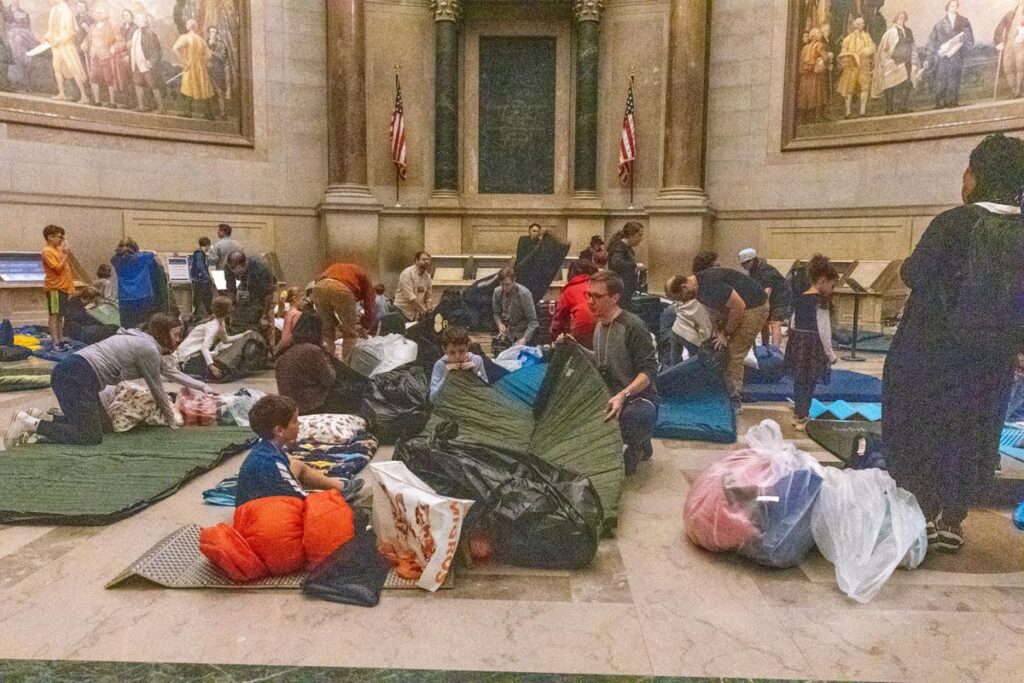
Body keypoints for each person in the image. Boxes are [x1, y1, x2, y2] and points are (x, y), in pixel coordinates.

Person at [883, 133, 1024, 554]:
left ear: (976, 176)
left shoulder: (952, 223)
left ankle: (922, 513)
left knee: (922, 425)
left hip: (930, 354)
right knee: (975, 429)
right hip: (990, 360)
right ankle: (952, 519)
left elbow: (914, 274)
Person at [3, 314, 197, 448]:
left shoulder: (142, 341)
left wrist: (204, 388)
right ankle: (30, 423)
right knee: (90, 437)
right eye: (176, 334)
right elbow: (157, 388)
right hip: (74, 376)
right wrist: (172, 420)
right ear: (163, 333)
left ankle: (41, 417)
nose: (179, 339)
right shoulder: (147, 348)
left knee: (104, 427)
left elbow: (169, 373)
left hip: (76, 376)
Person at [569, 271, 658, 475]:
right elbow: (602, 360)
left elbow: (649, 371)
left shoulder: (633, 327)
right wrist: (575, 347)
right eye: (588, 295)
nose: (591, 301)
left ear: (615, 297)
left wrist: (623, 395)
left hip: (639, 399)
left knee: (632, 419)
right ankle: (640, 439)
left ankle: (638, 442)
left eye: (597, 296)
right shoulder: (599, 325)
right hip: (612, 396)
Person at [666, 266, 769, 413]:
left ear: (684, 287)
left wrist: (726, 333)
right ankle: (724, 388)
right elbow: (714, 313)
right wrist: (717, 333)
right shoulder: (697, 290)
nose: (682, 302)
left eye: (680, 298)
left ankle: (734, 399)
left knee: (734, 353)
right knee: (720, 347)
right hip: (740, 305)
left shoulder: (709, 285)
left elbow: (739, 307)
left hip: (755, 307)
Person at [234, 395, 347, 510]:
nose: (299, 424)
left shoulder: (267, 447)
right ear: (279, 431)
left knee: (296, 464)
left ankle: (342, 487)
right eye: (294, 421)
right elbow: (301, 499)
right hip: (260, 516)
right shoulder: (270, 462)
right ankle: (342, 493)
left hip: (263, 502)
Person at [785, 255, 839, 431]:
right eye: (831, 285)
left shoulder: (800, 297)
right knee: (809, 382)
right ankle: (803, 416)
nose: (831, 290)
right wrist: (830, 353)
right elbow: (824, 329)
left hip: (798, 342)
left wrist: (791, 341)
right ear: (823, 280)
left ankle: (798, 413)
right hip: (813, 344)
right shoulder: (821, 302)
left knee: (799, 379)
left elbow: (792, 321)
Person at [275, 311, 348, 415]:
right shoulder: (313, 351)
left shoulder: (285, 350)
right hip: (310, 405)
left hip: (290, 404)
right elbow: (329, 379)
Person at [310, 262, 375, 363]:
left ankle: (327, 364)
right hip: (342, 288)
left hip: (319, 287)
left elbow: (319, 279)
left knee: (327, 332)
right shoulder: (364, 276)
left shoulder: (336, 267)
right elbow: (370, 304)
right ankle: (347, 366)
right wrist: (365, 326)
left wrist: (336, 323)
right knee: (350, 335)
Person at [174, 295, 248, 381]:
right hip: (187, 358)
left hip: (193, 355)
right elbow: (204, 347)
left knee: (225, 347)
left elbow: (226, 340)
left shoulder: (220, 322)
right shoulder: (213, 326)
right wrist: (212, 367)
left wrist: (243, 335)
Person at [739, 248, 793, 348]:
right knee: (763, 323)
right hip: (769, 298)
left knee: (775, 324)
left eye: (746, 263)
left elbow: (767, 291)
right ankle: (765, 347)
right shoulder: (752, 272)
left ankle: (774, 350)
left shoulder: (766, 270)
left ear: (753, 260)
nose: (744, 266)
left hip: (780, 298)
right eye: (743, 264)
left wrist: (759, 308)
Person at [926, 0, 973, 110]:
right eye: (951, 6)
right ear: (947, 7)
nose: (954, 8)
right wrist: (929, 57)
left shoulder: (964, 21)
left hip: (956, 54)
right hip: (943, 55)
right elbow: (932, 42)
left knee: (954, 77)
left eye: (956, 6)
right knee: (941, 77)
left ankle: (952, 101)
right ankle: (940, 102)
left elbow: (969, 37)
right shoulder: (939, 24)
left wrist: (963, 47)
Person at [110, 237, 166, 329]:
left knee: (127, 326)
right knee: (144, 326)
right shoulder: (143, 258)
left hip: (125, 298)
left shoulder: (115, 260)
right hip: (144, 296)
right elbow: (153, 253)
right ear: (135, 247)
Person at [873, 12, 918, 115]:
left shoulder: (908, 31)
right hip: (894, 63)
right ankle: (889, 109)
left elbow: (913, 46)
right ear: (896, 19)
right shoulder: (890, 33)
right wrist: (889, 62)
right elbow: (884, 49)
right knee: (890, 85)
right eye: (899, 18)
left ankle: (903, 106)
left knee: (907, 84)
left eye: (903, 18)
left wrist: (914, 59)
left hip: (907, 62)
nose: (901, 20)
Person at [45, 0, 90, 104]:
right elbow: (51, 28)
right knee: (57, 67)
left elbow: (69, 32)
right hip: (56, 45)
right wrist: (48, 36)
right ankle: (62, 93)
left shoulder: (67, 12)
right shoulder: (53, 10)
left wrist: (58, 40)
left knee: (74, 68)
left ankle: (84, 96)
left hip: (66, 45)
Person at [224, 251, 277, 339]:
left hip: (266, 288)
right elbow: (231, 289)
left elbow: (268, 295)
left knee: (265, 323)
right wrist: (231, 308)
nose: (236, 273)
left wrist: (264, 316)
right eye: (233, 271)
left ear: (244, 264)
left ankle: (269, 346)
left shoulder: (260, 266)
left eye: (239, 270)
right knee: (239, 317)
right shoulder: (228, 266)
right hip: (245, 286)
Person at [429, 325, 487, 401]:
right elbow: (432, 398)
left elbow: (486, 394)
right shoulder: (440, 364)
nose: (457, 356)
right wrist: (446, 376)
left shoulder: (476, 360)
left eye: (461, 351)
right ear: (444, 350)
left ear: (467, 346)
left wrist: (475, 374)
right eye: (452, 353)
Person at [664, 275, 713, 365]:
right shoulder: (698, 305)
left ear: (684, 287)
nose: (680, 300)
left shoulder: (680, 304)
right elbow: (704, 326)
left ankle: (673, 374)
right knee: (695, 361)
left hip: (675, 331)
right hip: (690, 338)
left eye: (678, 297)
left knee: (674, 361)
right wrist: (706, 341)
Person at [172, 19, 215, 119]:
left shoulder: (185, 37)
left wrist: (184, 61)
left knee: (188, 87)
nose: (185, 25)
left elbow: (174, 48)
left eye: (187, 23)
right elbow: (209, 55)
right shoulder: (201, 39)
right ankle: (209, 114)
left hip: (190, 66)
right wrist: (201, 62)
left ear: (190, 26)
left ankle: (188, 112)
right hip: (200, 67)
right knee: (203, 88)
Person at [41, 224, 75, 351]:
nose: (61, 240)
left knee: (61, 315)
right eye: (59, 237)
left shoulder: (58, 250)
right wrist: (65, 254)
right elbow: (57, 269)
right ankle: (55, 341)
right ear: (50, 237)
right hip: (54, 288)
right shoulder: (47, 252)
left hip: (63, 288)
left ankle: (60, 339)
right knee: (54, 315)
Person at [550, 259, 597, 349]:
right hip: (602, 326)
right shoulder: (598, 284)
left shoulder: (569, 290)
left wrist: (554, 337)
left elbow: (558, 319)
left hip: (581, 330)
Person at [491, 266, 538, 352]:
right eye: (502, 284)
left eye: (507, 285)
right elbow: (496, 313)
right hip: (507, 334)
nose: (504, 288)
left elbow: (533, 321)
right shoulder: (497, 292)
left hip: (522, 335)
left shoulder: (524, 294)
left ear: (514, 280)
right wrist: (499, 324)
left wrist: (524, 339)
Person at [80, 5, 118, 108]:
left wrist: (113, 47)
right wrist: (84, 43)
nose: (96, 15)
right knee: (94, 77)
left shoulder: (109, 26)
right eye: (95, 13)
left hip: (105, 55)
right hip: (93, 55)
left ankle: (112, 101)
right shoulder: (93, 26)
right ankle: (97, 100)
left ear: (104, 15)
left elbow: (115, 39)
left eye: (99, 13)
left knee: (108, 78)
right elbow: (88, 38)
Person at [837, 17, 876, 118]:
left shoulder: (867, 36)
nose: (863, 25)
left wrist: (866, 51)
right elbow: (843, 52)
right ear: (856, 25)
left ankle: (862, 111)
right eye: (861, 23)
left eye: (863, 23)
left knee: (865, 86)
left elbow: (872, 47)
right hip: (851, 65)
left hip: (864, 64)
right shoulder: (848, 38)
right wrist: (852, 55)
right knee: (849, 88)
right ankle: (848, 112)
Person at [129, 12, 164, 113]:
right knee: (138, 83)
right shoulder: (136, 33)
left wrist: (151, 62)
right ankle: (141, 106)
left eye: (138, 19)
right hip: (137, 63)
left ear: (144, 21)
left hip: (147, 64)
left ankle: (161, 108)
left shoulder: (150, 33)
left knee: (153, 85)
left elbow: (158, 51)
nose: (136, 21)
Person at [607, 221, 646, 311]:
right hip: (621, 291)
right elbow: (616, 263)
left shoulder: (626, 248)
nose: (641, 238)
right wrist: (635, 265)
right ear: (631, 234)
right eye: (639, 235)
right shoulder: (619, 246)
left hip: (625, 290)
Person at [798, 27, 831, 122]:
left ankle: (805, 118)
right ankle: (817, 116)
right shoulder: (819, 45)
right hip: (815, 75)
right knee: (817, 95)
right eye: (819, 33)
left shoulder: (805, 48)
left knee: (806, 95)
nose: (820, 35)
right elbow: (825, 58)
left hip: (806, 75)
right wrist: (828, 58)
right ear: (816, 36)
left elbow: (801, 62)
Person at [995, 1, 1024, 99]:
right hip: (1009, 44)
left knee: (1021, 65)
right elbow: (999, 28)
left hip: (1022, 45)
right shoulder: (1010, 14)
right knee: (1008, 65)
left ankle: (1020, 91)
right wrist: (999, 41)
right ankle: (1014, 91)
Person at [394, 251, 433, 322]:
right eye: (423, 259)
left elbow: (428, 297)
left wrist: (429, 308)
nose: (427, 262)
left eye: (428, 259)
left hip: (416, 313)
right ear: (416, 261)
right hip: (401, 312)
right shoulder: (407, 273)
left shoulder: (428, 277)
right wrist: (424, 310)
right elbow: (411, 298)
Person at [206, 25, 229, 119]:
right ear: (208, 33)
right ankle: (210, 113)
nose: (214, 34)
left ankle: (223, 113)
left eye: (215, 32)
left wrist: (213, 53)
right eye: (212, 32)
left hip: (218, 71)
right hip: (207, 71)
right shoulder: (205, 43)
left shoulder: (221, 45)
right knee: (208, 92)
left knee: (220, 92)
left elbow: (223, 58)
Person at [274, 287, 305, 356]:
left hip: (284, 347)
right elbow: (298, 335)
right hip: (292, 348)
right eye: (302, 299)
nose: (304, 302)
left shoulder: (288, 313)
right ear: (295, 298)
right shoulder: (297, 314)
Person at [190, 236, 214, 322]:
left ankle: (200, 313)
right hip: (200, 280)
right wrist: (207, 277)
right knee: (203, 297)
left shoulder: (199, 252)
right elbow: (200, 266)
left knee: (200, 297)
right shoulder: (200, 253)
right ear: (207, 245)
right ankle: (200, 314)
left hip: (199, 279)